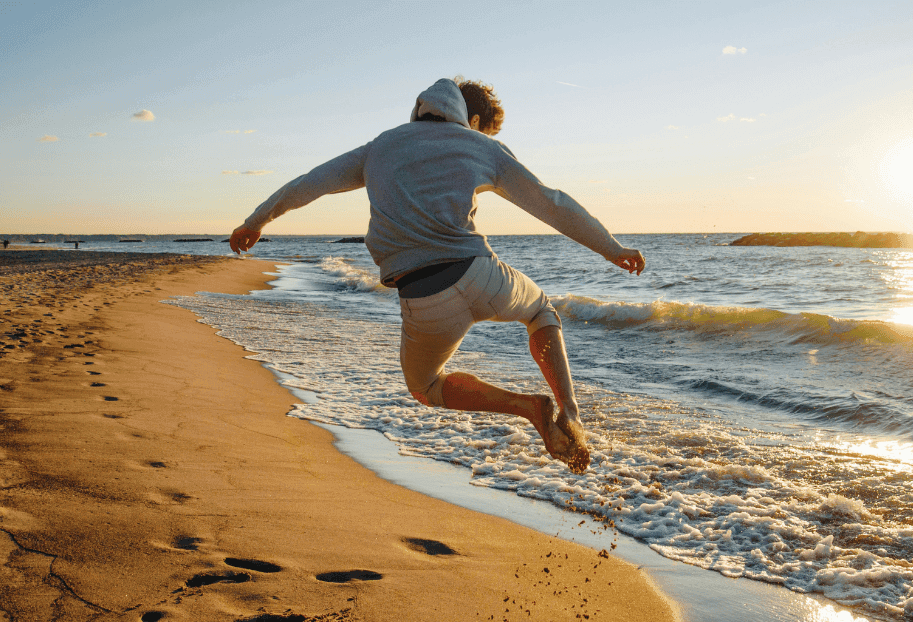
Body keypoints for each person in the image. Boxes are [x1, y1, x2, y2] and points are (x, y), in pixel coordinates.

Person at [229, 77, 644, 473]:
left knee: (426, 387)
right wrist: (613, 249)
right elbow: (552, 204)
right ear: (463, 116)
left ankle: (529, 408)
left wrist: (255, 222)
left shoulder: (381, 147)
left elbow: (310, 184)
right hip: (481, 274)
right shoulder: (480, 146)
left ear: (418, 111)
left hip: (424, 297)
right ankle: (569, 410)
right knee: (540, 311)